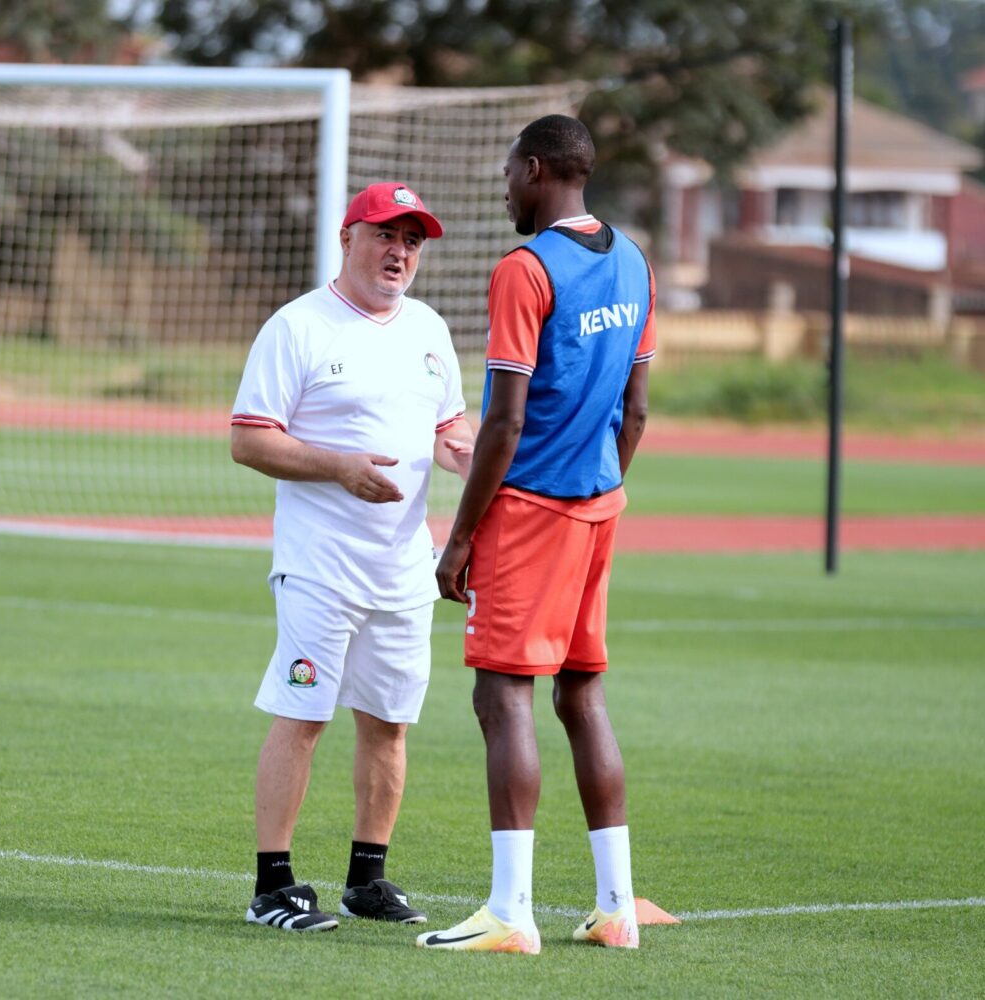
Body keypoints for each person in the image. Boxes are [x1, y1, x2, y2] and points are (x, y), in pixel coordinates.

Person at [416, 116, 655, 954]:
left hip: (531, 509)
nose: (503, 187)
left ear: (537, 167)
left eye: (509, 173)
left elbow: (503, 421)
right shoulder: (634, 259)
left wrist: (459, 540)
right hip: (599, 505)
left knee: (502, 694)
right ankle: (616, 907)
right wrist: (605, 483)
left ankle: (511, 914)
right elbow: (638, 409)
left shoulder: (524, 269)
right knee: (582, 694)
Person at [231, 181, 473, 933]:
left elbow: (447, 427)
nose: (398, 251)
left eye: (412, 240)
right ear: (348, 238)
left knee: (389, 723)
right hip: (319, 568)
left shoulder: (429, 328)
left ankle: (367, 880)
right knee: (303, 716)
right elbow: (249, 438)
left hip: (403, 568)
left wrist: (469, 457)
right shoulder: (297, 327)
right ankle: (273, 885)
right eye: (384, 235)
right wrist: (338, 465)